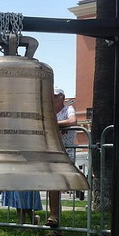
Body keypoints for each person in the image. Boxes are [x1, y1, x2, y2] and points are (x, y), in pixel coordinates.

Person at [46, 88, 77, 228]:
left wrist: (53, 125)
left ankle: (54, 216)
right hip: (52, 152)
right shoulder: (48, 113)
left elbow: (72, 121)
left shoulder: (69, 109)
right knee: (53, 184)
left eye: (54, 96)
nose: (51, 99)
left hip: (66, 153)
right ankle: (54, 217)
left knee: (56, 184)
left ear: (62, 98)